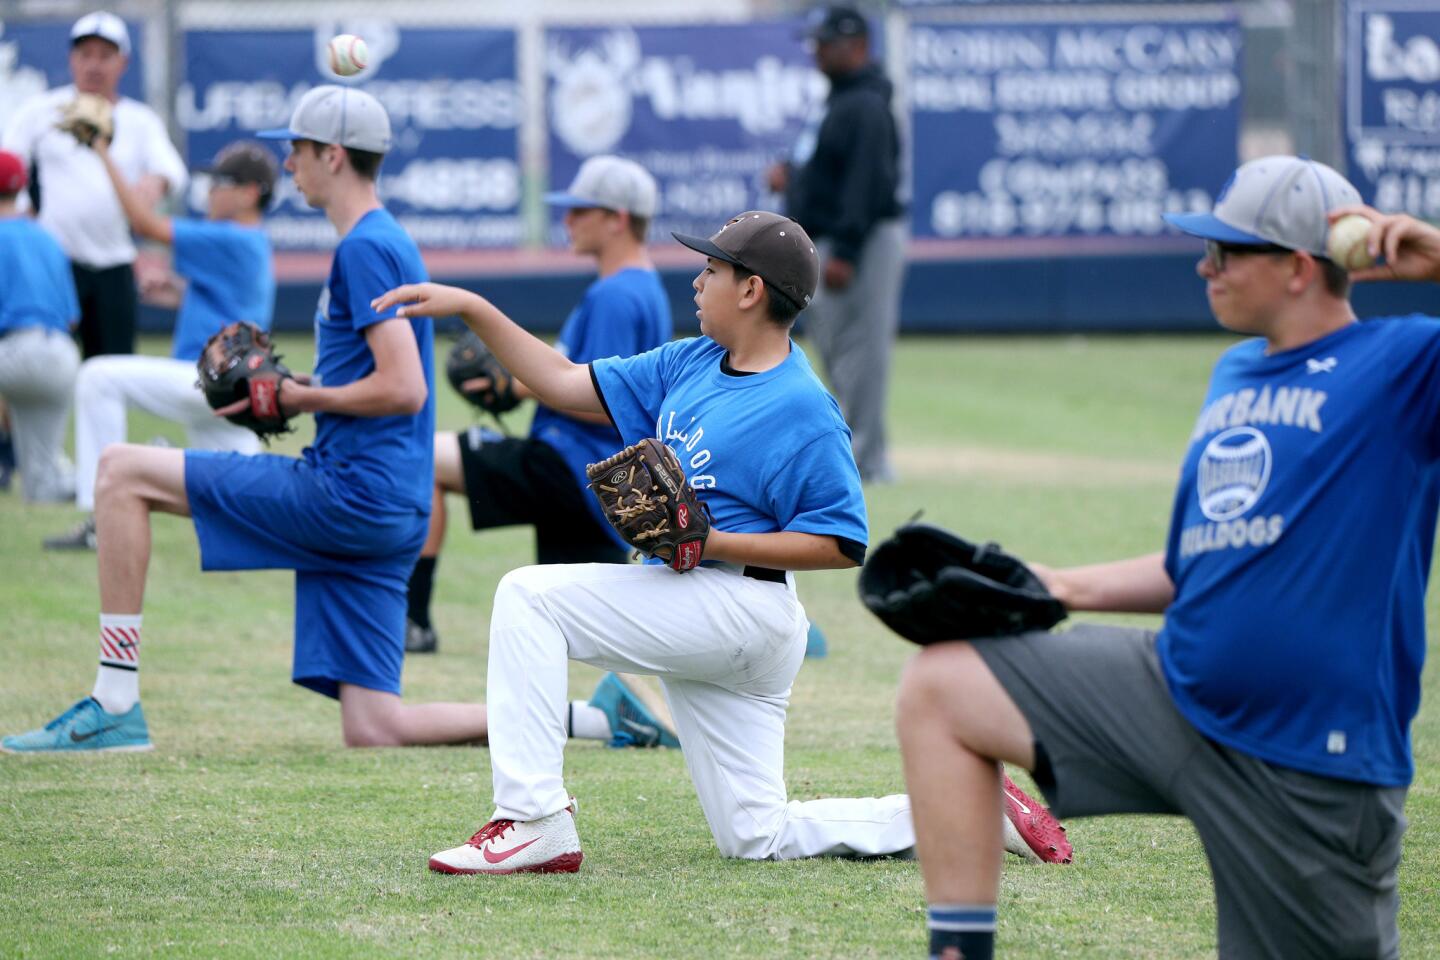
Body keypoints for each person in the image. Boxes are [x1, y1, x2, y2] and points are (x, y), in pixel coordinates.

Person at [371, 210, 1066, 874]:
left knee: (529, 597)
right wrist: (473, 308)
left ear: (752, 288)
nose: (697, 283)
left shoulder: (802, 405)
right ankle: (970, 808)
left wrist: (712, 540)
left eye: (711, 270)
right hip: (704, 610)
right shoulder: (691, 362)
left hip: (742, 607)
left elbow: (841, 542)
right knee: (757, 835)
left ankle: (531, 821)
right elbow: (557, 380)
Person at [895, 157, 1440, 960]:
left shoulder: (1404, 366)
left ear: (1297, 268)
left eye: (1227, 251)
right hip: (1177, 697)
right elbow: (1204, 563)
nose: (1205, 265)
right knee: (941, 689)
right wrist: (1059, 584)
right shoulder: (1237, 370)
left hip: (1309, 761)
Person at [1, 86, 488, 753]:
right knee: (376, 726)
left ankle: (114, 701)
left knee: (119, 471)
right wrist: (304, 384)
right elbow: (392, 382)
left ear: (334, 155)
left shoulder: (365, 247)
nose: (288, 166)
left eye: (297, 151)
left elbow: (404, 389)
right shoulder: (383, 238)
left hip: (351, 494)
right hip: (391, 505)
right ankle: (584, 717)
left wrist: (296, 399)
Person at [406, 155, 672, 659]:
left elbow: (605, 402)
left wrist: (514, 385)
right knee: (595, 636)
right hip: (602, 477)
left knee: (420, 459)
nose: (567, 220)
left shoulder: (616, 295)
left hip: (573, 466)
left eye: (580, 210)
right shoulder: (644, 285)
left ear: (616, 218)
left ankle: (412, 622)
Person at [43, 139, 278, 551]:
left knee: (98, 377)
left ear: (249, 192)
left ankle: (104, 513)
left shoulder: (234, 237)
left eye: (220, 182)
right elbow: (225, 303)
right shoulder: (248, 241)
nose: (210, 191)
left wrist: (102, 152)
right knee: (249, 501)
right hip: (232, 387)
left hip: (209, 380)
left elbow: (144, 223)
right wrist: (176, 292)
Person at [768, 5, 906, 484]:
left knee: (860, 353)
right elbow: (830, 168)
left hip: (860, 243)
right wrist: (793, 180)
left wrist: (846, 249)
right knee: (838, 349)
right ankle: (856, 452)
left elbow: (868, 181)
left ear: (859, 46)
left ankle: (868, 462)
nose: (818, 51)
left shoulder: (866, 103)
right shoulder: (839, 100)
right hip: (832, 238)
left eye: (828, 43)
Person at [1, 12, 186, 358]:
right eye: (86, 55)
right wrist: (21, 213)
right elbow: (10, 163)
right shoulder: (42, 111)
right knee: (45, 366)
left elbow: (172, 170)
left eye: (105, 56)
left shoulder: (139, 120)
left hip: (114, 262)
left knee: (112, 371)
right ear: (72, 59)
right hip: (55, 261)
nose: (94, 66)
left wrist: (156, 181)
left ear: (123, 62)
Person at [0, 148, 81, 503]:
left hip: (19, 349)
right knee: (42, 486)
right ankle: (103, 480)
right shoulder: (46, 238)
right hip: (62, 355)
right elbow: (72, 317)